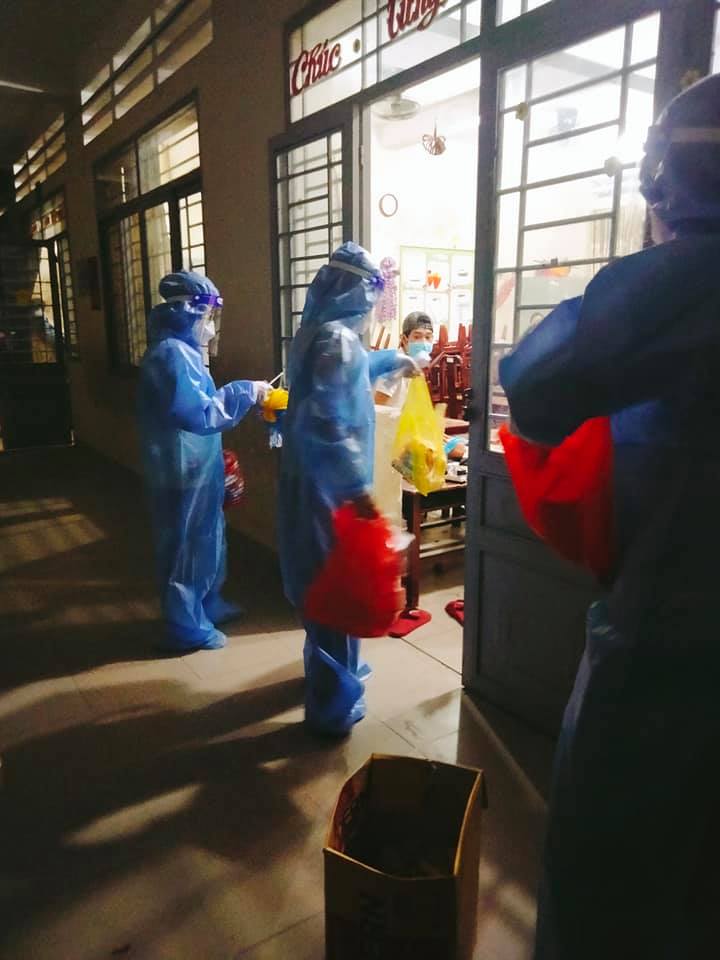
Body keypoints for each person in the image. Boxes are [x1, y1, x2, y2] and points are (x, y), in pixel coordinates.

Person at [499, 74, 720, 960]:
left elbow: (537, 382)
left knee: (608, 884)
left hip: (673, 650)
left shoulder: (691, 281)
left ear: (669, 185)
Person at [278, 242, 419, 736]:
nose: (373, 301)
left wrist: (391, 360)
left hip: (309, 481)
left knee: (322, 588)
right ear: (357, 290)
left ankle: (330, 677)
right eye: (372, 289)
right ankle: (331, 708)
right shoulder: (336, 340)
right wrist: (359, 490)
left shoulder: (318, 334)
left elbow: (348, 375)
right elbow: (333, 425)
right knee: (336, 588)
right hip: (330, 486)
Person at [137, 270, 270, 653]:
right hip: (179, 470)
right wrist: (246, 392)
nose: (210, 328)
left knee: (208, 536)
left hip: (196, 463)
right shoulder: (171, 355)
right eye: (207, 317)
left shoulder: (183, 352)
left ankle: (208, 604)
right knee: (185, 547)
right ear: (188, 313)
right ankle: (186, 625)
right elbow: (198, 413)